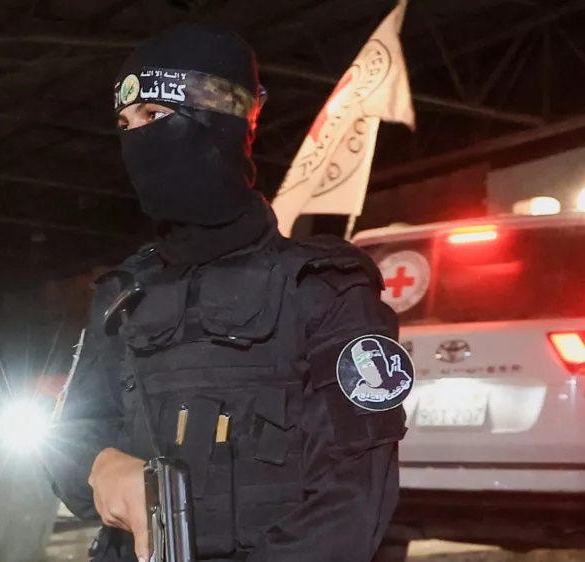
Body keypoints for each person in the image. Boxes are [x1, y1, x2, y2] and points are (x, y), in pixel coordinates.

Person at [43, 23, 411, 562]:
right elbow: (67, 439)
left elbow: (352, 501)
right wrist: (101, 465)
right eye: (125, 124)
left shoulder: (323, 288)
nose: (135, 140)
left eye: (154, 116)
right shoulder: (124, 294)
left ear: (220, 119)